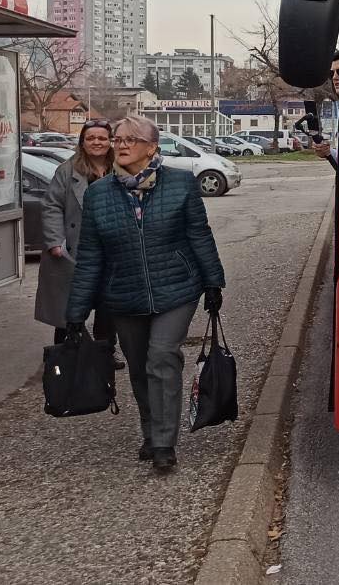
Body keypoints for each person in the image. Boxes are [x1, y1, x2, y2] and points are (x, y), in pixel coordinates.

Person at [66, 115, 226, 473]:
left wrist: (213, 283)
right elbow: (90, 257)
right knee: (139, 368)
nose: (120, 145)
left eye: (129, 140)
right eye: (117, 139)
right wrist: (76, 311)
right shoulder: (98, 195)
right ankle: (151, 430)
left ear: (152, 147)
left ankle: (164, 442)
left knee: (162, 356)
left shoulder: (181, 184)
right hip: (125, 294)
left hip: (177, 289)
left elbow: (200, 235)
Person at [35, 119, 120, 367]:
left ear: (109, 142)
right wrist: (55, 242)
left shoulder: (119, 168)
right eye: (91, 138)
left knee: (108, 308)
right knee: (70, 307)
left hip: (110, 250)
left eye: (102, 138)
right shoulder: (67, 170)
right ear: (82, 142)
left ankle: (105, 353)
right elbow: (51, 206)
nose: (97, 142)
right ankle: (65, 355)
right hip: (74, 249)